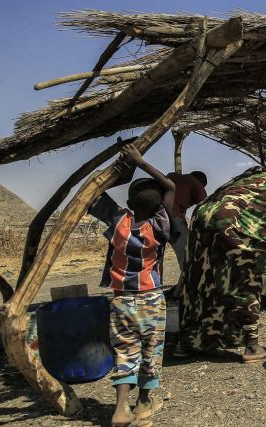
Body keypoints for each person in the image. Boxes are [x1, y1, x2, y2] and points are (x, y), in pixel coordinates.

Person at [176, 153, 266, 363]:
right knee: (246, 279)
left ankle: (187, 343)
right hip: (229, 225)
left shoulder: (260, 174)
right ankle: (252, 347)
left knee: (202, 279)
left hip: (202, 218)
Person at [88, 144, 176, 427]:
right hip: (150, 298)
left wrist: (123, 173)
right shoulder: (159, 227)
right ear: (159, 205)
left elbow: (92, 194)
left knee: (125, 351)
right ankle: (144, 403)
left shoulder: (118, 220)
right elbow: (170, 186)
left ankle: (121, 409)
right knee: (152, 350)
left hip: (121, 299)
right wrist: (141, 162)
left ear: (129, 202)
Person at [165, 170, 207, 274]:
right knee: (187, 256)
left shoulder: (172, 176)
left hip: (152, 216)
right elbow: (205, 207)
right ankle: (188, 285)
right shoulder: (196, 183)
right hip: (173, 219)